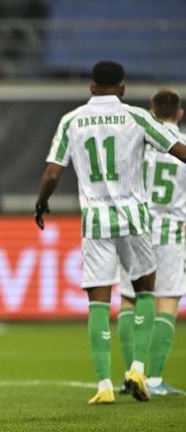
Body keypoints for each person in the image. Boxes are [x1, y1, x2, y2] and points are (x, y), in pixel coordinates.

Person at [34, 61, 186, 405]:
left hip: (96, 222)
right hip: (135, 219)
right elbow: (178, 151)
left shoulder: (71, 120)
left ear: (91, 88)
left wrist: (41, 203)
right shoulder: (136, 116)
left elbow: (53, 172)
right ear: (122, 88)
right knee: (147, 290)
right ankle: (137, 369)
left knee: (99, 301)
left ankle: (103, 384)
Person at [117, 89, 186, 397]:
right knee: (167, 302)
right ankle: (155, 379)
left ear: (151, 111)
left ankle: (131, 371)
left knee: (130, 300)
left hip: (138, 227)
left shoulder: (138, 142)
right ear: (179, 114)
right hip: (172, 230)